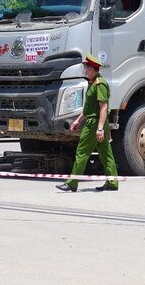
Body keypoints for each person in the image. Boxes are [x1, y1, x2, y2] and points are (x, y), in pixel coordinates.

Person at [57, 54, 119, 192]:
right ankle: (112, 182)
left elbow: (103, 108)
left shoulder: (100, 84)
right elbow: (88, 108)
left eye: (86, 68)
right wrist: (78, 120)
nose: (85, 71)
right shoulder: (93, 84)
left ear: (91, 69)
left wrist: (100, 128)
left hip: (94, 124)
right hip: (95, 122)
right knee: (105, 154)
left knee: (82, 152)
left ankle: (72, 183)